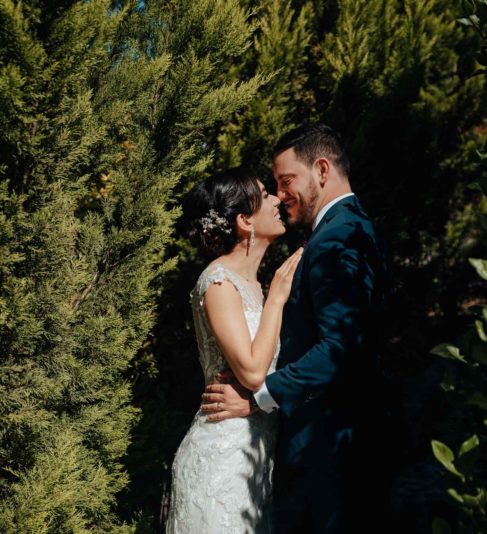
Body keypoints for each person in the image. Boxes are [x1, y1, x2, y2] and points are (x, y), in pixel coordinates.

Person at [202, 124, 390, 533]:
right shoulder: (351, 228)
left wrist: (259, 399)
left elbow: (340, 348)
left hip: (329, 452)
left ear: (321, 169)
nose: (280, 194)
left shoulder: (337, 238)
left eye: (286, 181)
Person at [166, 167, 303, 533]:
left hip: (255, 463)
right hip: (220, 465)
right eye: (265, 194)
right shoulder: (218, 282)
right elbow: (254, 372)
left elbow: (269, 380)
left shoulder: (254, 285)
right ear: (245, 221)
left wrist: (258, 402)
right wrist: (276, 299)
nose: (277, 199)